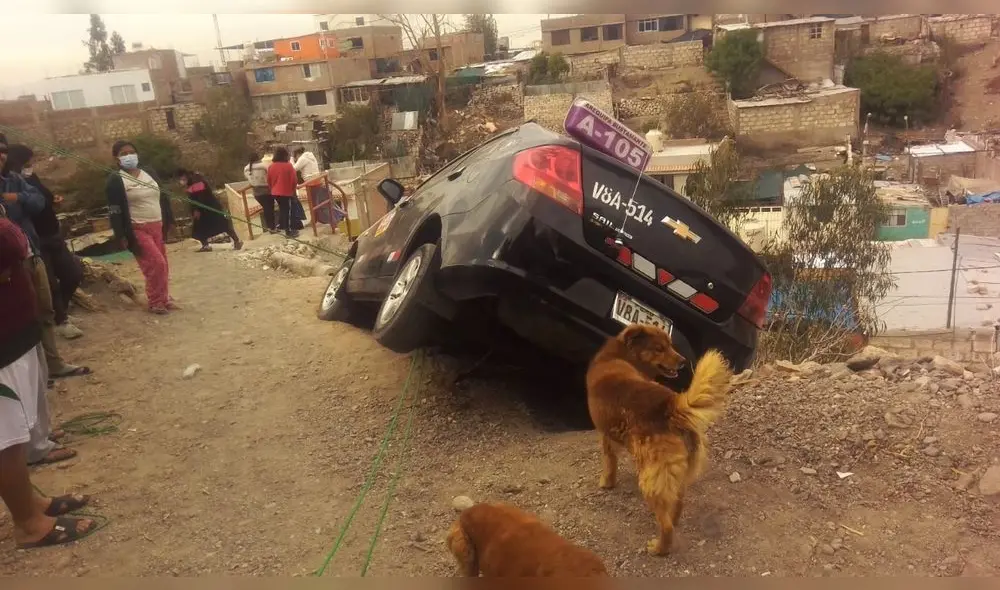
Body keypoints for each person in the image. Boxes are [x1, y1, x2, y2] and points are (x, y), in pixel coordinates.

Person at [1, 216, 96, 549]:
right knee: (6, 441)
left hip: (13, 334)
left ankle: (32, 504)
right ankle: (28, 524)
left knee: (16, 436)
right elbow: (9, 242)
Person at [0, 134, 90, 381]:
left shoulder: (15, 180)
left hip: (30, 252)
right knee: (19, 318)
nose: (1, 155)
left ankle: (53, 365)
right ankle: (31, 375)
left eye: (3, 150)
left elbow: (38, 201)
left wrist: (17, 198)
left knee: (44, 309)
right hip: (7, 265)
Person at [105, 140, 177, 315]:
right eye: (124, 153)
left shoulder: (149, 173)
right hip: (137, 228)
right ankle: (155, 301)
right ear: (117, 158)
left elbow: (163, 197)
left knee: (163, 264)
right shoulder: (115, 180)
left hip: (157, 224)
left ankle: (164, 298)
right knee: (155, 264)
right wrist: (120, 234)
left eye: (131, 152)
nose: (129, 155)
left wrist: (170, 220)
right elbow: (114, 210)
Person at [177, 169, 243, 252]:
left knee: (222, 224)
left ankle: (237, 241)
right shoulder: (191, 181)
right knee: (199, 228)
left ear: (185, 175)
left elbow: (201, 196)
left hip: (209, 207)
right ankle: (205, 245)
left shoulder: (197, 181)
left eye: (182, 178)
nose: (181, 181)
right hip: (202, 209)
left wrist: (197, 209)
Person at [267, 147, 299, 239]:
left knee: (282, 210)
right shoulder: (288, 165)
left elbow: (268, 180)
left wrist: (272, 189)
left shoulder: (271, 166)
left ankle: (284, 227)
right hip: (285, 191)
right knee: (286, 210)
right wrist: (293, 191)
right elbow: (294, 180)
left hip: (275, 192)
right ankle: (288, 231)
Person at [244, 152, 275, 234]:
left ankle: (270, 227)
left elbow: (250, 180)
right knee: (269, 209)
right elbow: (271, 176)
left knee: (266, 209)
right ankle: (272, 227)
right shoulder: (264, 166)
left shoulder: (246, 168)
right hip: (267, 191)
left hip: (256, 193)